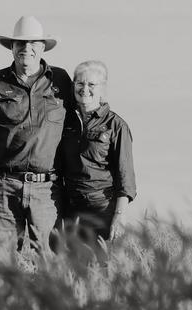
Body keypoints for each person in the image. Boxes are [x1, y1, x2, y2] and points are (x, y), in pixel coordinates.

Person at [0, 16, 73, 251]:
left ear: (43, 47)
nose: (27, 48)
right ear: (11, 48)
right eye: (20, 44)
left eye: (34, 43)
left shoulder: (62, 82)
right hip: (5, 187)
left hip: (48, 191)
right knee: (4, 267)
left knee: (48, 263)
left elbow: (78, 131)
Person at [57, 60, 136, 242]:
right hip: (70, 209)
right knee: (71, 267)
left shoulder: (116, 126)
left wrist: (119, 216)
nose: (85, 89)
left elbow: (126, 178)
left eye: (92, 84)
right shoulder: (64, 122)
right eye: (80, 83)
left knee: (99, 267)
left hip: (102, 210)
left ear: (102, 89)